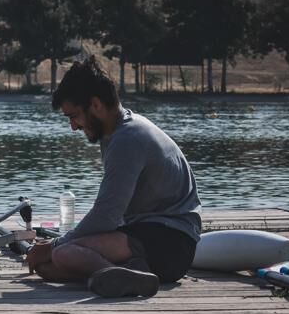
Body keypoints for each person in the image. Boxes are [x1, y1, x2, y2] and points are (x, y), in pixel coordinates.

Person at [25, 57, 201, 298]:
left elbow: (106, 215)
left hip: (168, 243)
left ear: (95, 104)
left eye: (74, 116)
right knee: (49, 270)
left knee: (62, 254)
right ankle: (129, 272)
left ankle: (114, 274)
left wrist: (55, 245)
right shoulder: (115, 132)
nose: (73, 126)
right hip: (150, 238)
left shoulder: (128, 139)